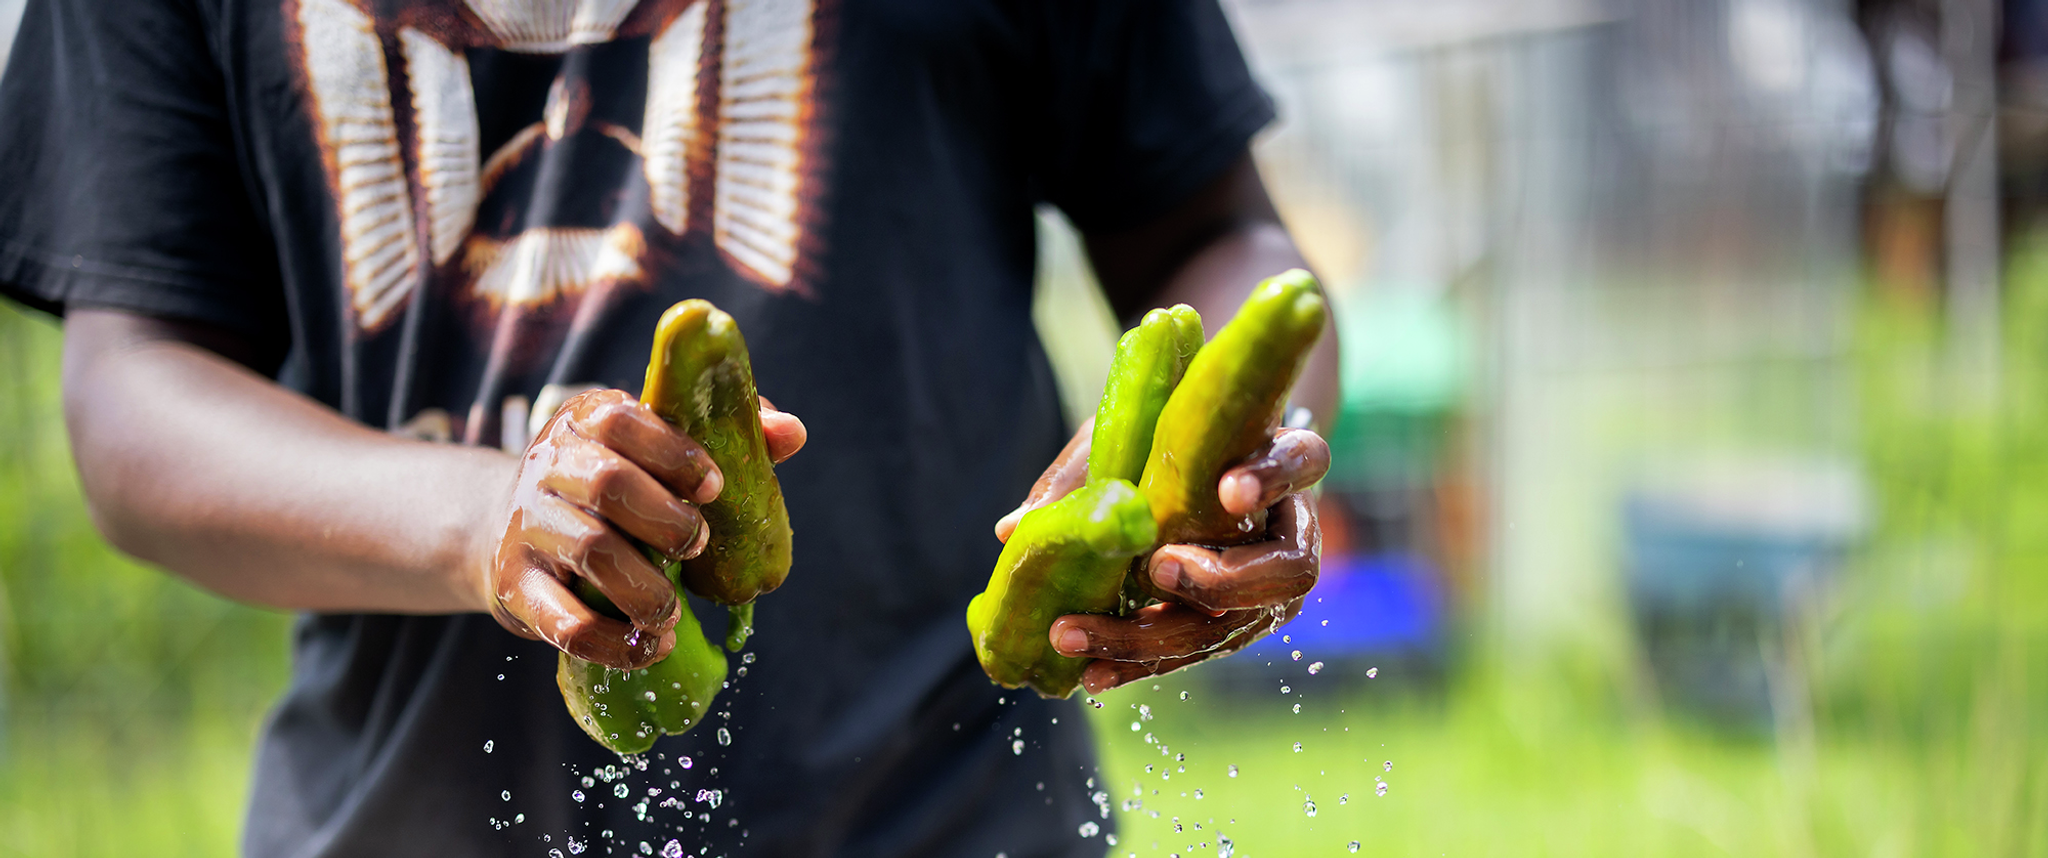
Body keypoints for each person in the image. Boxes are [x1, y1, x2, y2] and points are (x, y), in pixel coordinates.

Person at [0, 0, 1337, 854]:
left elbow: (1213, 229)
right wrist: (484, 521)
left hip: (949, 819)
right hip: (397, 822)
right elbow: (134, 403)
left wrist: (1238, 442)